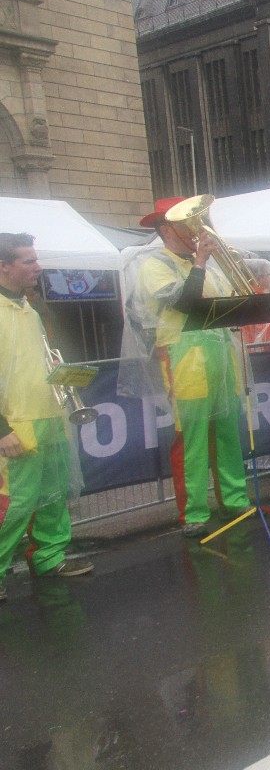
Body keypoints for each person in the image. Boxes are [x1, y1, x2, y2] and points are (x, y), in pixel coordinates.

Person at [126, 197, 249, 538]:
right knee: (192, 437)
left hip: (220, 354)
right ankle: (194, 511)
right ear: (166, 230)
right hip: (185, 357)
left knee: (227, 432)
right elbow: (184, 302)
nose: (196, 230)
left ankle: (234, 498)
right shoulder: (154, 265)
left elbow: (230, 305)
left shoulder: (208, 268)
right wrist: (201, 261)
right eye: (186, 224)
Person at [0, 233, 94, 601]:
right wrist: (1, 430)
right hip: (18, 423)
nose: (38, 268)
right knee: (16, 502)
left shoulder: (30, 309)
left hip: (50, 416)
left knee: (54, 496)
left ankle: (49, 557)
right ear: (4, 267)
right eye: (28, 261)